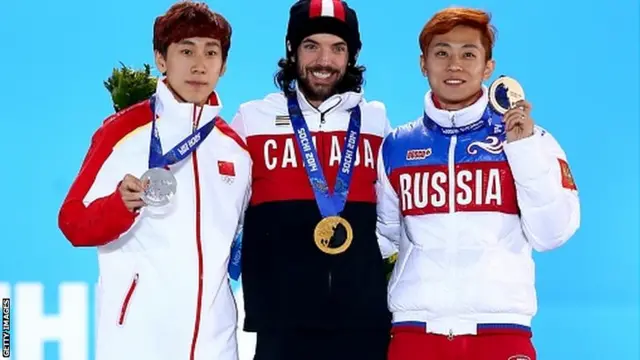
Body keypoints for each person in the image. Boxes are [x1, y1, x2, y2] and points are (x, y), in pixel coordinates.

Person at [376, 7, 581, 360]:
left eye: (468, 54)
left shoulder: (531, 139)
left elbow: (552, 234)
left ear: (488, 66)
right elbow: (385, 238)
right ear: (423, 63)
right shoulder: (396, 145)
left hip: (502, 332)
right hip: (415, 334)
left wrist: (524, 150)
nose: (454, 65)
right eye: (442, 53)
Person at [57, 2, 250, 359]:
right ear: (161, 60)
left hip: (215, 342)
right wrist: (118, 206)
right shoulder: (122, 132)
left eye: (211, 52)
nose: (198, 65)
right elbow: (72, 222)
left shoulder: (235, 150)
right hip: (138, 340)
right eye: (186, 50)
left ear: (223, 65)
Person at [229, 0, 395, 359]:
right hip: (281, 324)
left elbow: (393, 218)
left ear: (351, 56)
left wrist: (359, 271)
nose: (324, 60)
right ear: (291, 50)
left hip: (363, 324)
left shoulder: (375, 121)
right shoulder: (252, 119)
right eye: (311, 46)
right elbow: (224, 211)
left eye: (338, 48)